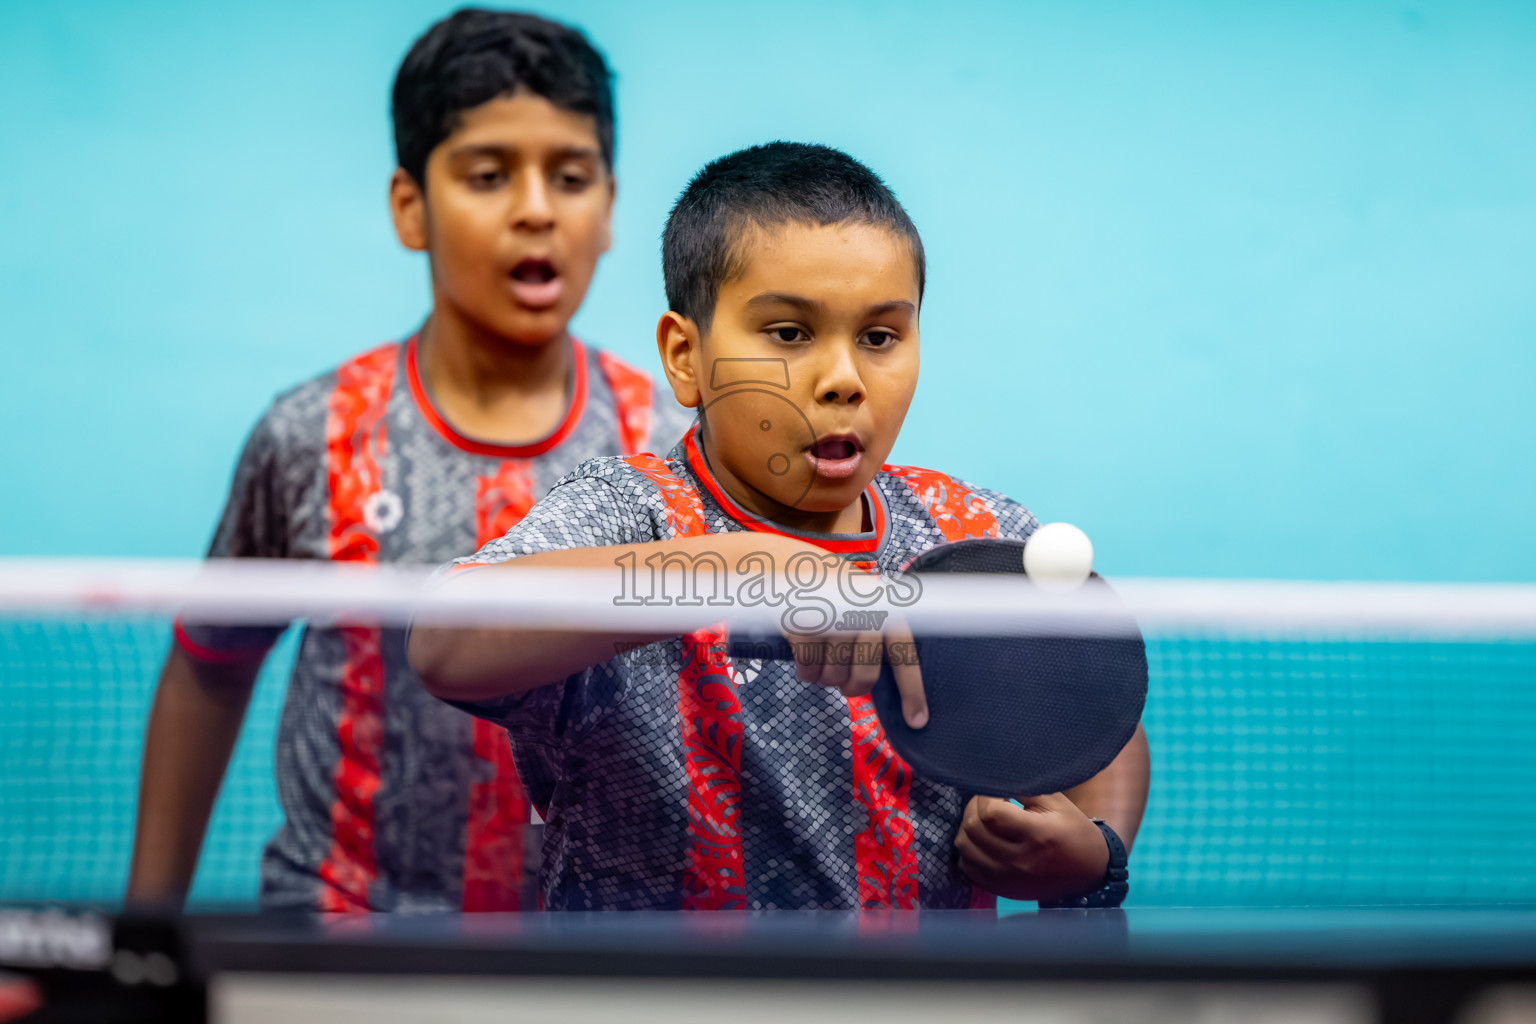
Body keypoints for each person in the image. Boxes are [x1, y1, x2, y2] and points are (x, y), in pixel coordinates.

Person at [409, 142, 1150, 910]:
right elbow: (445, 637)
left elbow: (1097, 717)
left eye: (880, 337)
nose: (843, 380)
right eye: (790, 335)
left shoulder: (971, 531)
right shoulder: (630, 513)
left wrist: (1097, 849)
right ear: (686, 355)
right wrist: (745, 567)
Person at [127, 9, 693, 913]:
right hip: (340, 931)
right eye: (488, 174)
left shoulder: (671, 445)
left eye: (571, 175)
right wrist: (142, 927)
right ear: (409, 207)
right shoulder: (311, 435)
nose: (537, 208)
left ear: (610, 208)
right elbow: (210, 663)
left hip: (587, 949)